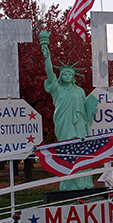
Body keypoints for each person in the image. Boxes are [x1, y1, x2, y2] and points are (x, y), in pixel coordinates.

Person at [40, 30, 98, 190]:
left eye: (69, 74)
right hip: (64, 123)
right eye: (64, 73)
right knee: (67, 151)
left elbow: (86, 113)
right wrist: (47, 57)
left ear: (73, 77)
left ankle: (84, 182)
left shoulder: (80, 91)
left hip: (80, 124)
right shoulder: (56, 89)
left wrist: (91, 110)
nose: (66, 75)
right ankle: (68, 184)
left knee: (81, 151)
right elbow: (50, 73)